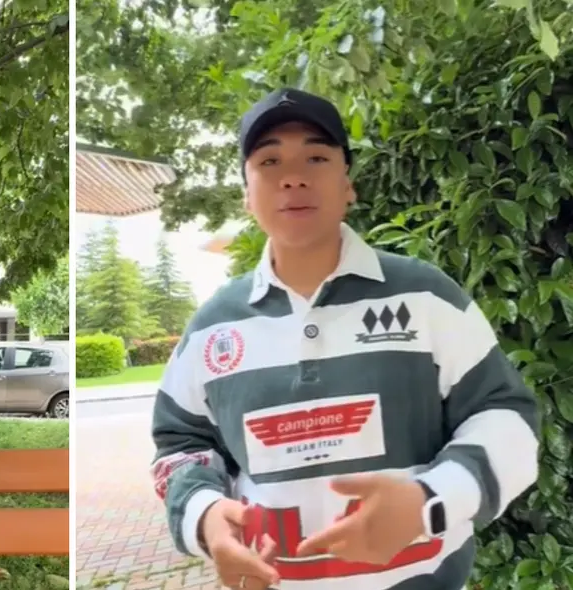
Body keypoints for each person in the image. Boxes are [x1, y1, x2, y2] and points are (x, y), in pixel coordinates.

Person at [149, 88, 540, 590]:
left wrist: (428, 502)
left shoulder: (428, 298)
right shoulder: (212, 328)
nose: (293, 176)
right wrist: (203, 516)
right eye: (269, 161)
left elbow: (507, 418)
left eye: (316, 157)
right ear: (247, 194)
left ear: (347, 184)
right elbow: (179, 446)